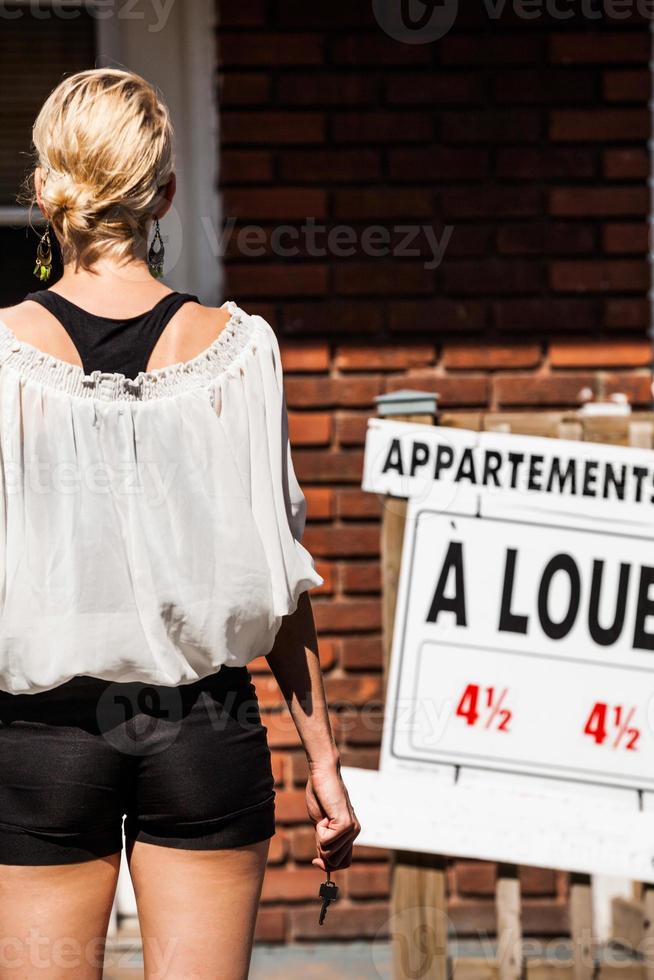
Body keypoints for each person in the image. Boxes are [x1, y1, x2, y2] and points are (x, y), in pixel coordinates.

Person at [0, 68, 360, 980]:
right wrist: (323, 761)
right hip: (204, 732)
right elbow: (282, 580)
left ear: (45, 188)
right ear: (164, 193)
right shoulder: (239, 355)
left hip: (39, 748)